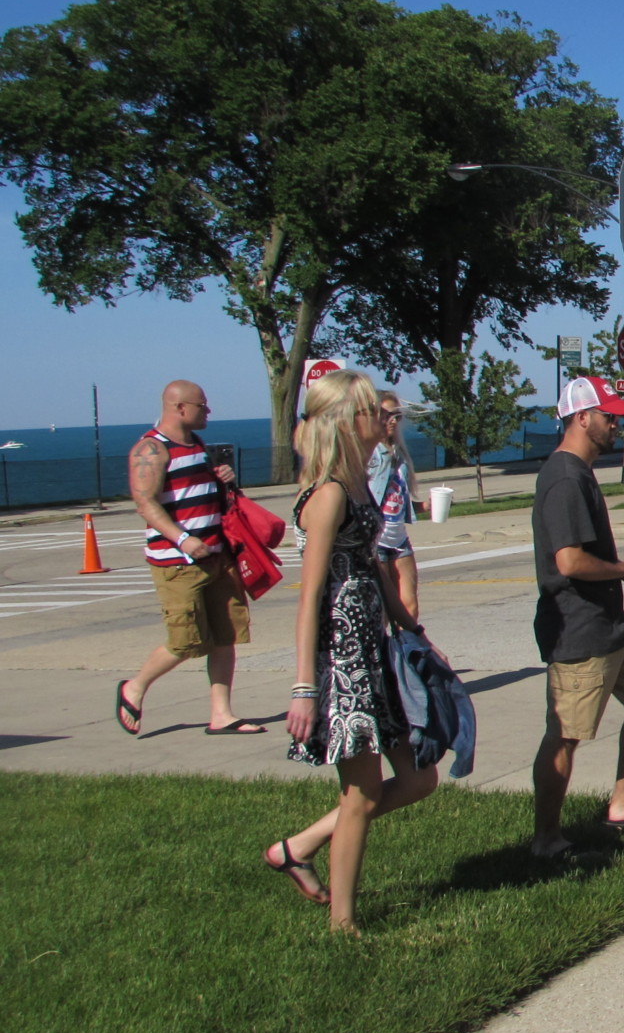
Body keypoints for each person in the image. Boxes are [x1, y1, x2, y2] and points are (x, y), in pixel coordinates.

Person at [270, 369, 435, 933]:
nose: (384, 419)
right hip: (342, 664)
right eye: (372, 411)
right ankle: (343, 923)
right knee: (361, 793)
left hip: (373, 652)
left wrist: (405, 626)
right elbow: (310, 595)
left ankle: (299, 847)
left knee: (419, 779)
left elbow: (370, 567)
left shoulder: (359, 484)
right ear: (346, 421)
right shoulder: (330, 494)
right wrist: (303, 687)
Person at [530, 376, 624, 857]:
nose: (615, 425)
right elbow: (568, 562)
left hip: (608, 623)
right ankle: (546, 839)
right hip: (577, 628)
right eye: (608, 417)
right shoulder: (565, 478)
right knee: (566, 735)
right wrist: (623, 568)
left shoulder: (581, 472)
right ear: (581, 418)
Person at [116, 380, 262, 737]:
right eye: (202, 406)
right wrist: (183, 539)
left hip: (217, 555)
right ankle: (133, 687)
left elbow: (197, 490)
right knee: (186, 641)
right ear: (180, 408)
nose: (208, 411)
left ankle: (222, 714)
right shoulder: (151, 449)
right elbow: (145, 502)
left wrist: (222, 478)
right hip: (177, 563)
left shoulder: (196, 445)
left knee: (226, 635)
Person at [367, 391, 423, 624]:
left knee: (410, 605)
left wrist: (423, 505)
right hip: (377, 540)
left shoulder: (398, 453)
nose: (392, 420)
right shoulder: (370, 455)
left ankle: (405, 653)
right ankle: (383, 657)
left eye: (396, 416)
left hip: (399, 538)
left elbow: (395, 498)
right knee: (383, 612)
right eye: (385, 415)